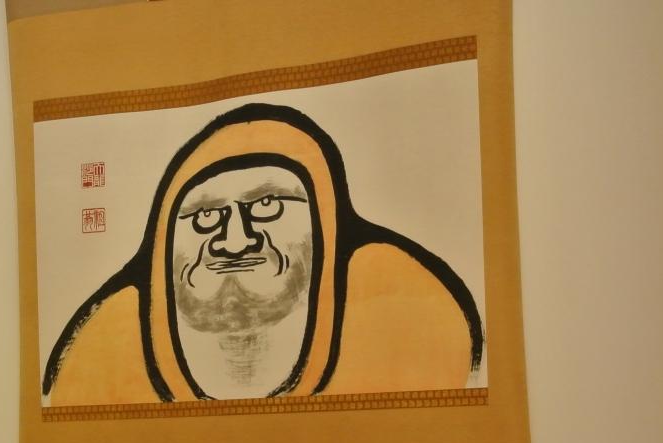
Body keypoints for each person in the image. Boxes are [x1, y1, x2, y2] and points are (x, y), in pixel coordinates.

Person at [43, 103, 482, 406]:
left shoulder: (425, 319)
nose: (235, 241)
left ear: (324, 219)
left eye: (266, 206)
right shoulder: (95, 350)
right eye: (205, 216)